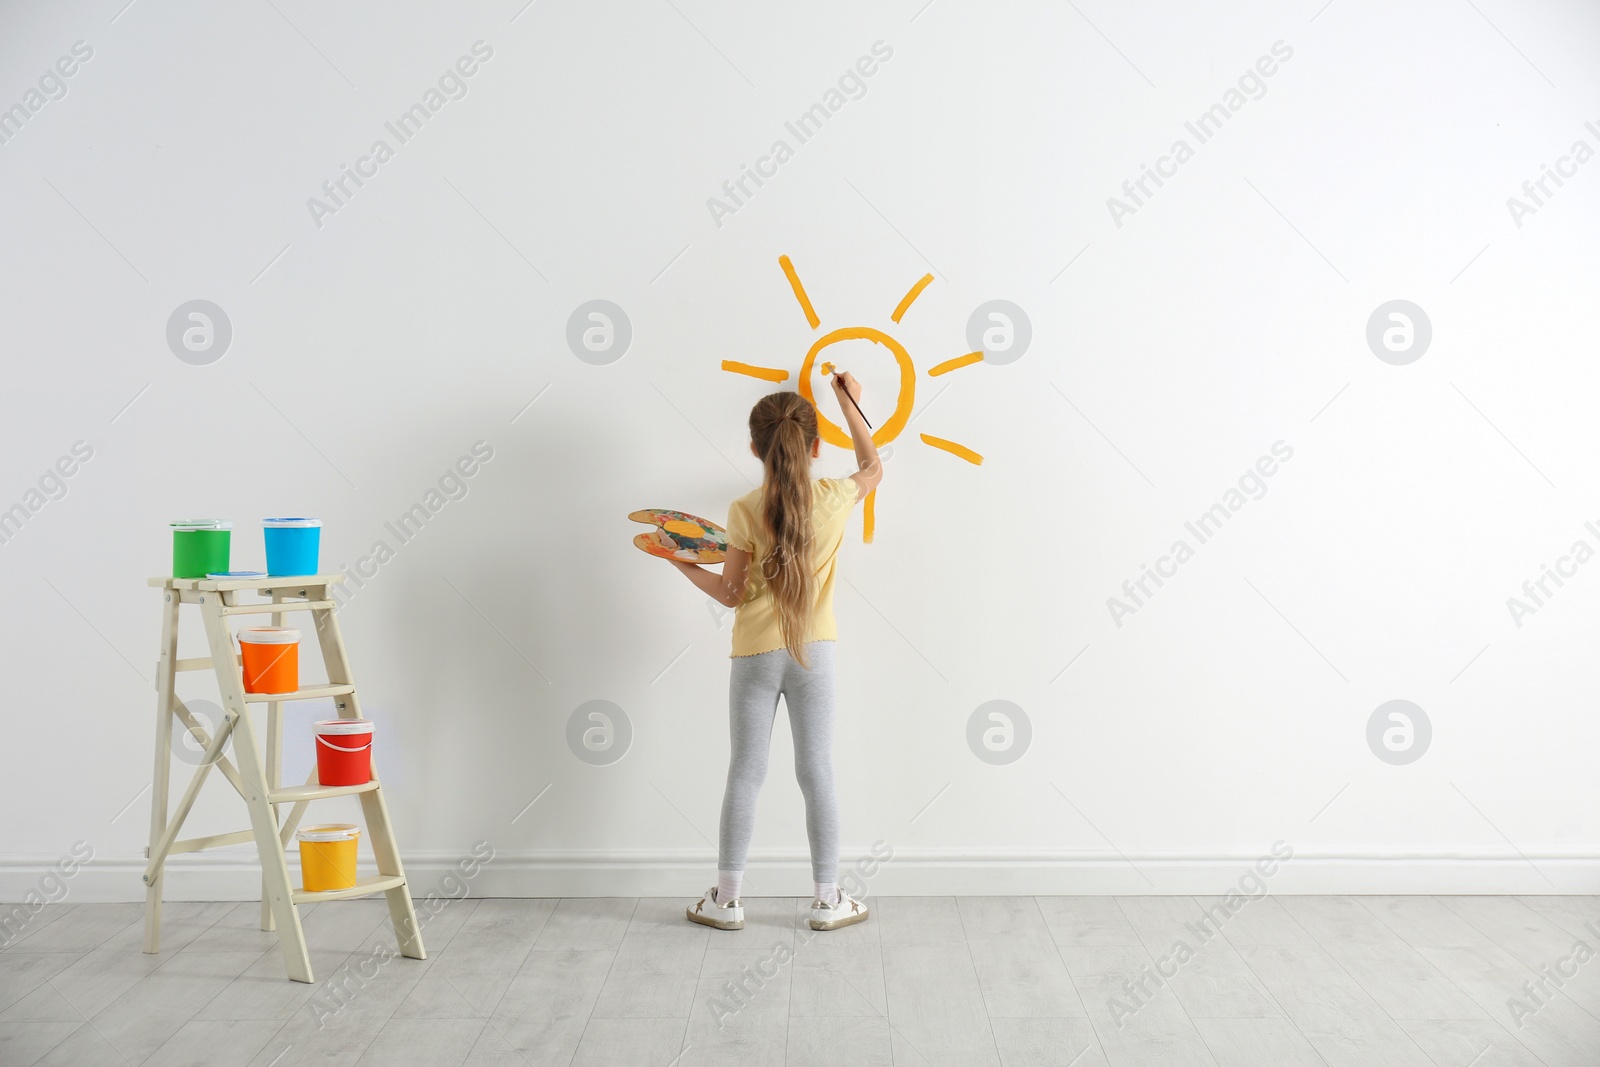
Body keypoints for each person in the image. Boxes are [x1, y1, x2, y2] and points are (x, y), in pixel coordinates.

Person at [669, 371, 881, 931]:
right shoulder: (834, 497)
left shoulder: (743, 509)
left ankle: (728, 901)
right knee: (817, 771)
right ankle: (828, 901)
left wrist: (679, 560)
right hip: (816, 652)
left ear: (754, 448)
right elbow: (874, 468)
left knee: (746, 772)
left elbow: (730, 593)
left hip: (756, 654)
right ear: (814, 447)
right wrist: (848, 402)